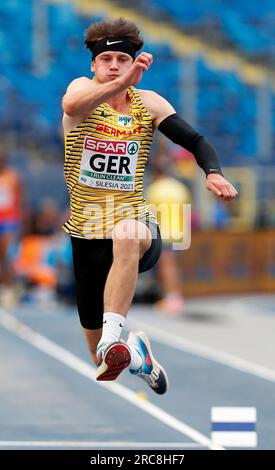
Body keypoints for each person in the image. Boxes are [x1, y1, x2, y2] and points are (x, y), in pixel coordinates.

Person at [61, 17, 238, 395]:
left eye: (122, 60)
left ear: (134, 62)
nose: (113, 66)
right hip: (86, 229)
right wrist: (121, 83)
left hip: (133, 221)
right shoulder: (80, 90)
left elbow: (196, 139)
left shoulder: (149, 103)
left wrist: (212, 171)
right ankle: (136, 356)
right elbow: (71, 103)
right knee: (98, 359)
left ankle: (114, 338)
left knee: (127, 233)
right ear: (93, 64)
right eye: (106, 59)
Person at [146, 143, 191, 316]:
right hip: (180, 233)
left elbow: (149, 216)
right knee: (173, 267)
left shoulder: (155, 190)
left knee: (167, 268)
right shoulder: (180, 188)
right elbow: (188, 212)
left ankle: (173, 299)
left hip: (165, 234)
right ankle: (173, 296)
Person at [0, 149, 23, 307]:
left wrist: (21, 220)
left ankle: (9, 288)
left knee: (6, 256)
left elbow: (20, 200)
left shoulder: (12, 177)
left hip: (9, 220)